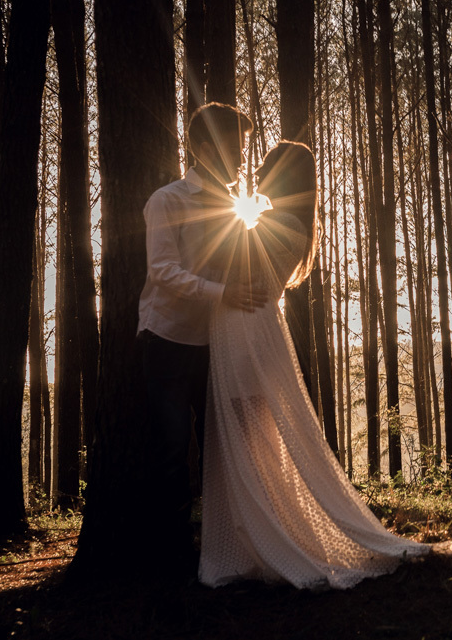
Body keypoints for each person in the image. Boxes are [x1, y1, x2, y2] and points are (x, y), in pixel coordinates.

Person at [199, 140, 430, 589]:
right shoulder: (290, 224)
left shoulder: (277, 224)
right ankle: (258, 535)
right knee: (254, 441)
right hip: (251, 331)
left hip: (246, 334)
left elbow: (226, 263)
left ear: (283, 176)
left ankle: (269, 538)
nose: (257, 171)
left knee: (252, 442)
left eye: (266, 165)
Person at [138, 102, 261, 575]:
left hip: (216, 343)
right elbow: (162, 270)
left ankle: (224, 547)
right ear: (207, 148)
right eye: (236, 147)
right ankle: (171, 555)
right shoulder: (168, 200)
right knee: (170, 451)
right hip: (167, 339)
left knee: (221, 447)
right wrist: (222, 293)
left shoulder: (236, 208)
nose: (242, 158)